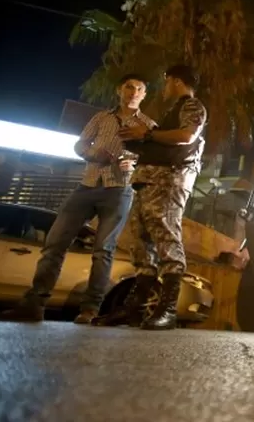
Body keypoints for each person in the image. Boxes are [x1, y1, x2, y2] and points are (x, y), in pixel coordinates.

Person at [4, 74, 153, 324]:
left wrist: (134, 164)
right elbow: (80, 145)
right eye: (129, 86)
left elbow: (151, 160)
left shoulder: (148, 125)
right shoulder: (101, 117)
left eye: (140, 88)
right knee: (54, 242)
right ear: (120, 89)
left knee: (103, 250)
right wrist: (95, 153)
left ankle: (90, 310)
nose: (134, 92)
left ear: (144, 95)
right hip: (87, 184)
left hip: (119, 189)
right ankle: (34, 303)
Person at [101, 64, 207, 330]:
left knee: (166, 238)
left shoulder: (193, 106)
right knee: (141, 244)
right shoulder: (174, 110)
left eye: (167, 80)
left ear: (176, 81)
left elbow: (187, 135)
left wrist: (146, 134)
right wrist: (138, 142)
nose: (165, 86)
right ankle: (133, 309)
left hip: (168, 182)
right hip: (148, 181)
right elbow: (163, 141)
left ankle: (168, 310)